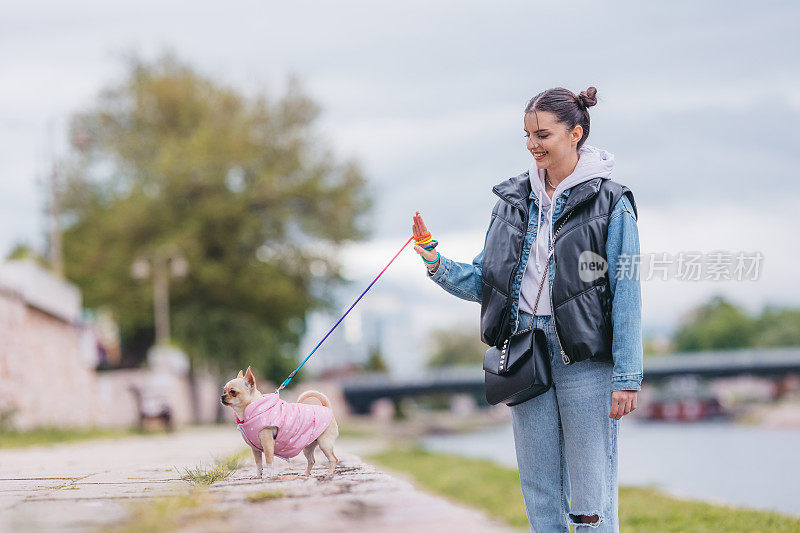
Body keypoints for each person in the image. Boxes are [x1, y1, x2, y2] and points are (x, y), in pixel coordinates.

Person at [412, 86, 642, 532]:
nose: (534, 144)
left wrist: (627, 377)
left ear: (575, 133)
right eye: (527, 135)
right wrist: (435, 260)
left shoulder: (612, 202)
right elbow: (488, 282)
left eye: (543, 134)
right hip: (524, 351)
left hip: (585, 360)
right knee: (539, 492)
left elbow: (627, 291)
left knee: (590, 498)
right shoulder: (512, 202)